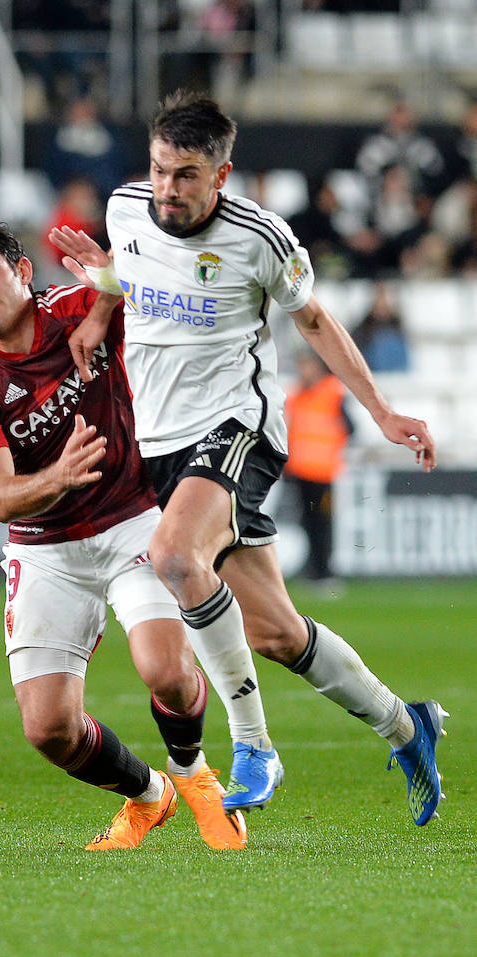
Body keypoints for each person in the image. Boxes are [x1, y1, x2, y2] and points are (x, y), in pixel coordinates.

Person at [49, 90, 446, 826]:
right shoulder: (126, 208)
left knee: (173, 556)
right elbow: (126, 275)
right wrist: (101, 303)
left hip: (239, 426)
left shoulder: (260, 237)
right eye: (162, 169)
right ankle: (405, 724)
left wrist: (383, 412)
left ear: (221, 176)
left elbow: (318, 323)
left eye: (187, 175)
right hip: (162, 443)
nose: (169, 188)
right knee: (275, 632)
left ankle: (255, 744)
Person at [0, 219, 245, 851]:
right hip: (43, 545)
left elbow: (167, 290)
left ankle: (194, 776)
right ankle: (148, 795)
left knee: (164, 669)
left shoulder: (74, 310)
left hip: (133, 516)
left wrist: (108, 283)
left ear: (24, 272)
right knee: (48, 729)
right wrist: (57, 475)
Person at [283, 352, 350, 585]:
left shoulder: (333, 392)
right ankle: (314, 570)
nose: (305, 371)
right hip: (300, 470)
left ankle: (325, 571)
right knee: (307, 523)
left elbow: (350, 427)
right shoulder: (296, 395)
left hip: (323, 472)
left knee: (323, 523)